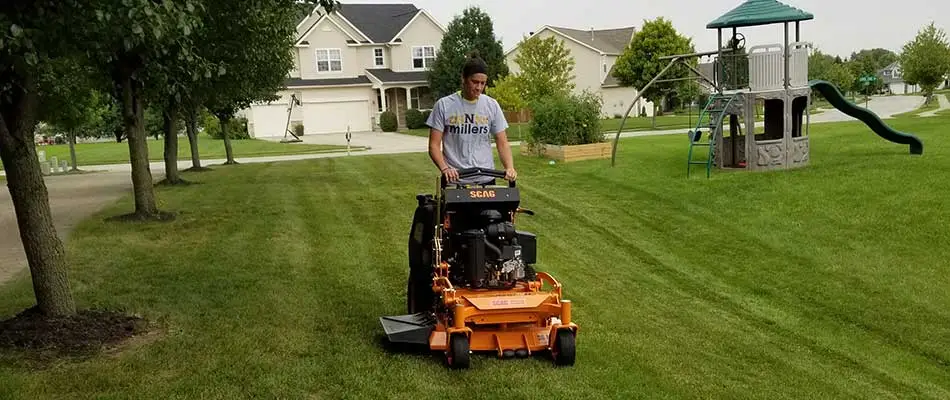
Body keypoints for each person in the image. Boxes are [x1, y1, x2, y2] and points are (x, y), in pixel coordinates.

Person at [425, 54, 517, 186]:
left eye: (482, 83)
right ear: (463, 79)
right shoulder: (444, 105)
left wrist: (509, 167)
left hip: (486, 178)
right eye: (474, 82)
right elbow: (433, 145)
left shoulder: (491, 105)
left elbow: (502, 142)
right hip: (455, 179)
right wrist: (445, 169)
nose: (479, 87)